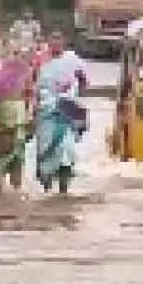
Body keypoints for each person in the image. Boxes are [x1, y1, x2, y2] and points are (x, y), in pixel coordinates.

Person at [33, 31, 88, 192]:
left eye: (59, 38)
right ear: (48, 41)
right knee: (46, 150)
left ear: (64, 41)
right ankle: (47, 189)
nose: (56, 42)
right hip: (46, 112)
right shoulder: (40, 59)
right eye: (53, 38)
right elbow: (31, 84)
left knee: (67, 151)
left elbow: (84, 80)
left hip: (68, 112)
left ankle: (64, 191)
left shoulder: (73, 59)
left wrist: (76, 100)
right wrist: (33, 107)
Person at [0, 40, 34, 197]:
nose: (14, 56)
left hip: (19, 121)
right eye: (11, 52)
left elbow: (30, 95)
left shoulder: (24, 70)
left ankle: (14, 199)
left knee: (17, 159)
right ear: (3, 51)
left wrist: (30, 115)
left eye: (16, 53)